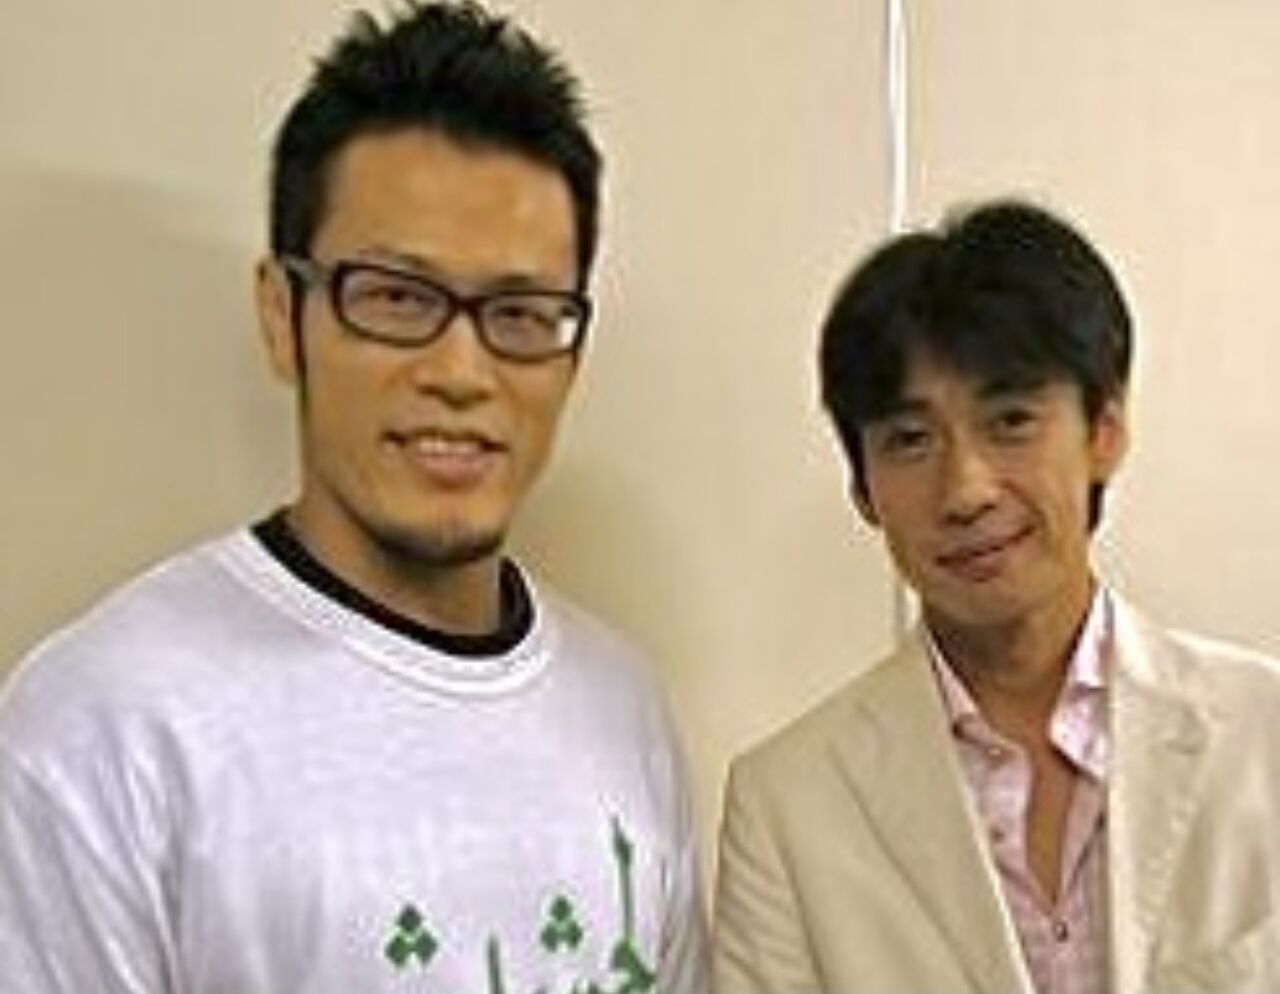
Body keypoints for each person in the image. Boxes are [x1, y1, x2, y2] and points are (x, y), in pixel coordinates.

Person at [0, 4, 708, 992]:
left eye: (519, 312)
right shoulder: (105, 722)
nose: (461, 372)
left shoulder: (622, 706)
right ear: (282, 315)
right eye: (396, 298)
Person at [713, 200, 1280, 994]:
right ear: (864, 489)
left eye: (1010, 421)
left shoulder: (1261, 733)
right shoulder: (786, 808)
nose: (966, 490)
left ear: (1104, 431)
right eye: (910, 440)